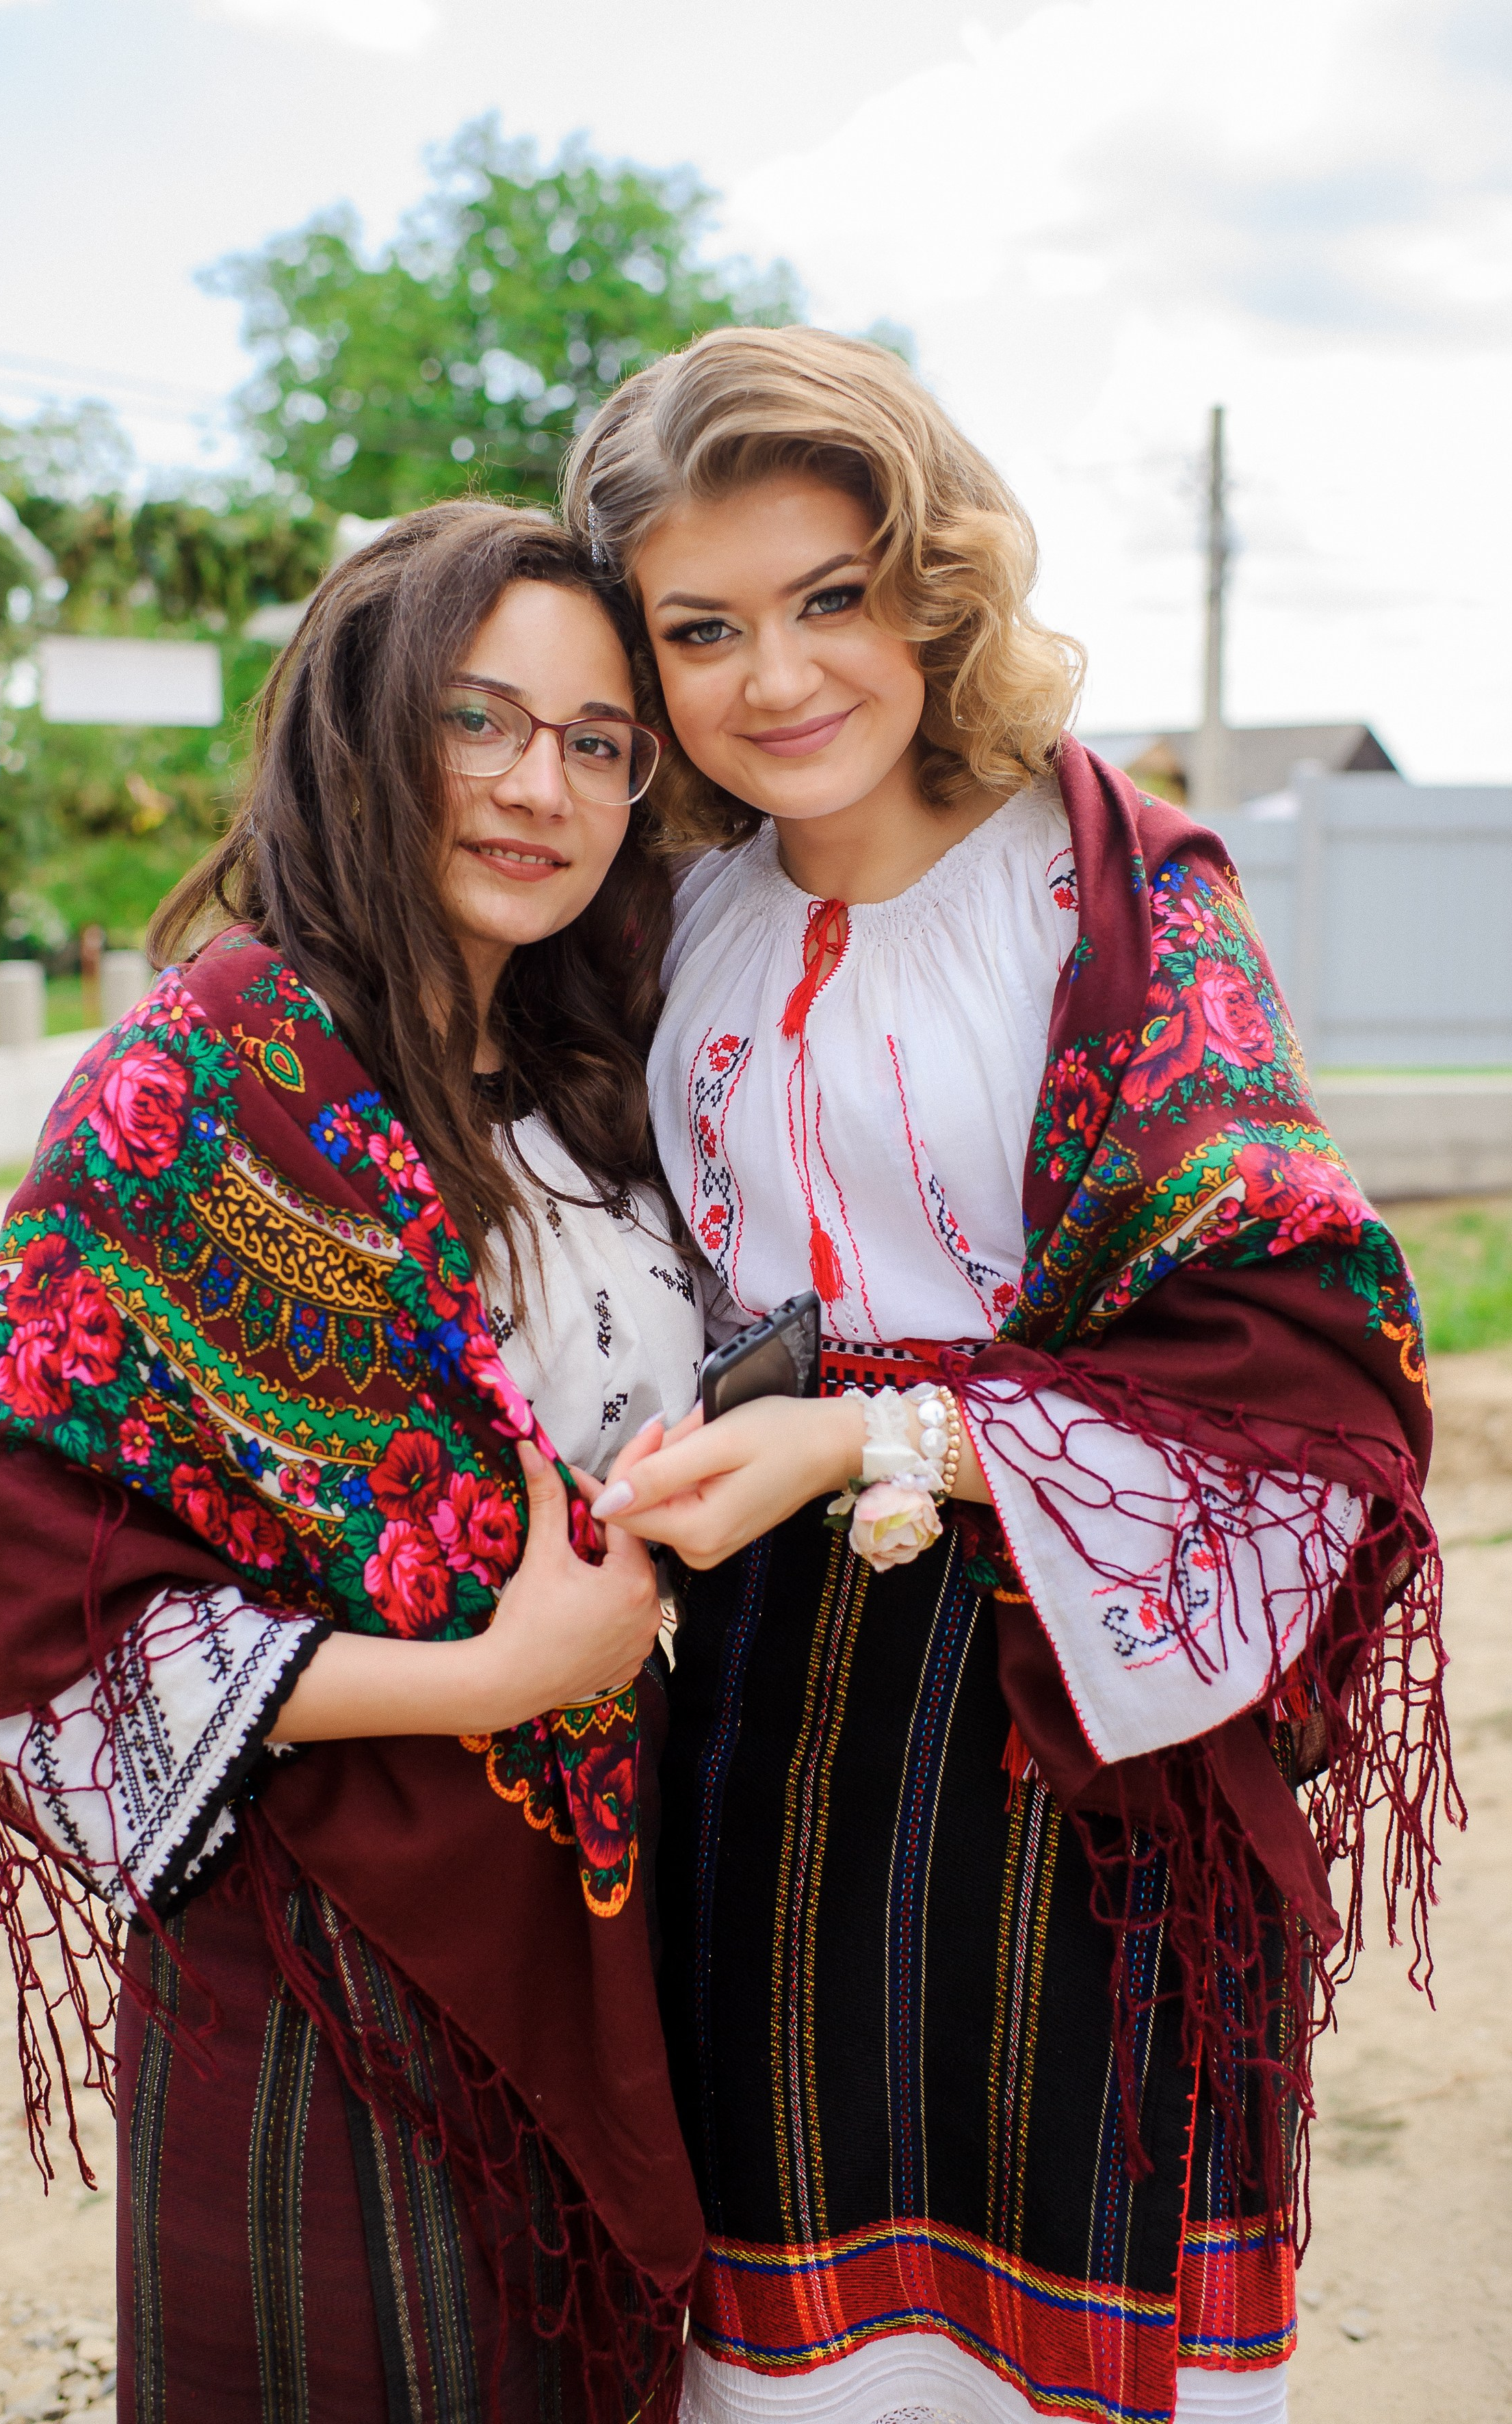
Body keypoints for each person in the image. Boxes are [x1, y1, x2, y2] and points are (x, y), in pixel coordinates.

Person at [561, 329, 1453, 2424]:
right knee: (791, 2298)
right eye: (703, 629)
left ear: (934, 587)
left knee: (1077, 2247)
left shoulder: (1113, 898)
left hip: (1063, 1683)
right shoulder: (663, 913)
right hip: (755, 1690)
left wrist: (869, 1436)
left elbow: (1296, 1358)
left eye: (830, 600)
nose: (776, 677)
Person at [0, 502, 710, 2423]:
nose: (543, 783)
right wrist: (499, 1676)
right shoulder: (203, 1080)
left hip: (601, 1910)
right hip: (329, 1963)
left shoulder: (584, 1079)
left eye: (598, 739)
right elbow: (57, 1623)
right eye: (482, 720)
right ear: (366, 730)